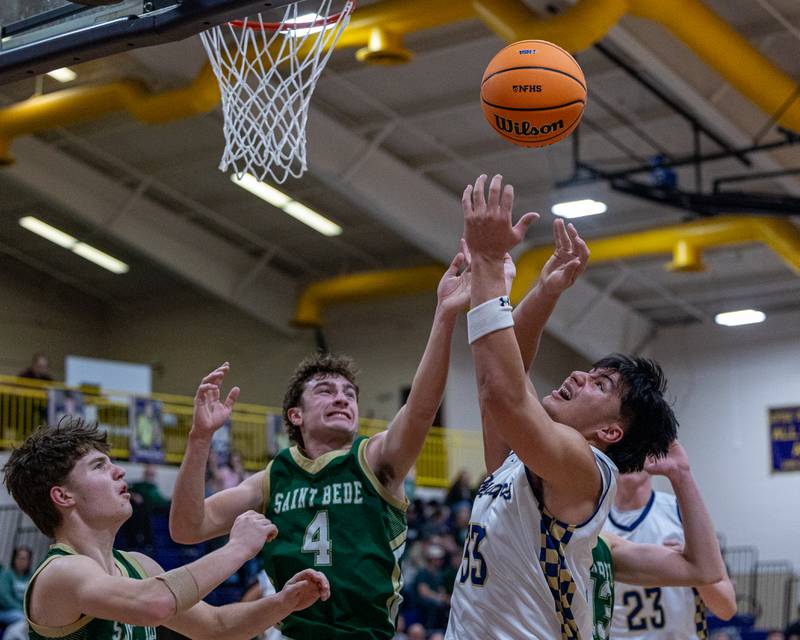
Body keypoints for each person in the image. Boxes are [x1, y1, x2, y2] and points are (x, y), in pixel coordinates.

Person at [169, 249, 472, 640]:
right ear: (295, 415)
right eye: (326, 391)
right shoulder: (273, 478)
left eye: (349, 393)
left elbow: (421, 408)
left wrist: (445, 315)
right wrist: (199, 439)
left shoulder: (374, 458)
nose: (342, 398)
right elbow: (187, 528)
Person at [446, 174, 678, 639]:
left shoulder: (585, 468)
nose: (577, 375)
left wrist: (491, 263)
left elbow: (502, 392)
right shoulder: (527, 465)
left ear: (612, 431)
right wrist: (546, 291)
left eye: (600, 384)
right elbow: (506, 380)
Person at [2, 418, 329, 640]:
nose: (118, 471)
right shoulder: (62, 573)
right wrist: (237, 548)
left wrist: (284, 602)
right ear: (63, 495)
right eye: (99, 466)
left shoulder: (137, 566)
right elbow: (155, 603)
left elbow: (214, 628)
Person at [590, 441, 735, 640]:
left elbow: (726, 607)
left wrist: (694, 566)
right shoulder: (591, 520)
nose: (630, 456)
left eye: (636, 447)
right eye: (621, 449)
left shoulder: (683, 512)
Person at [0, 546, 33, 640]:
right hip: (5, 611)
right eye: (19, 557)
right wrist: (22, 611)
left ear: (29, 561)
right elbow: (4, 598)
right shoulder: (7, 574)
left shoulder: (30, 577)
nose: (21, 560)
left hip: (22, 613)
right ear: (14, 559)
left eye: (25, 558)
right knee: (23, 621)